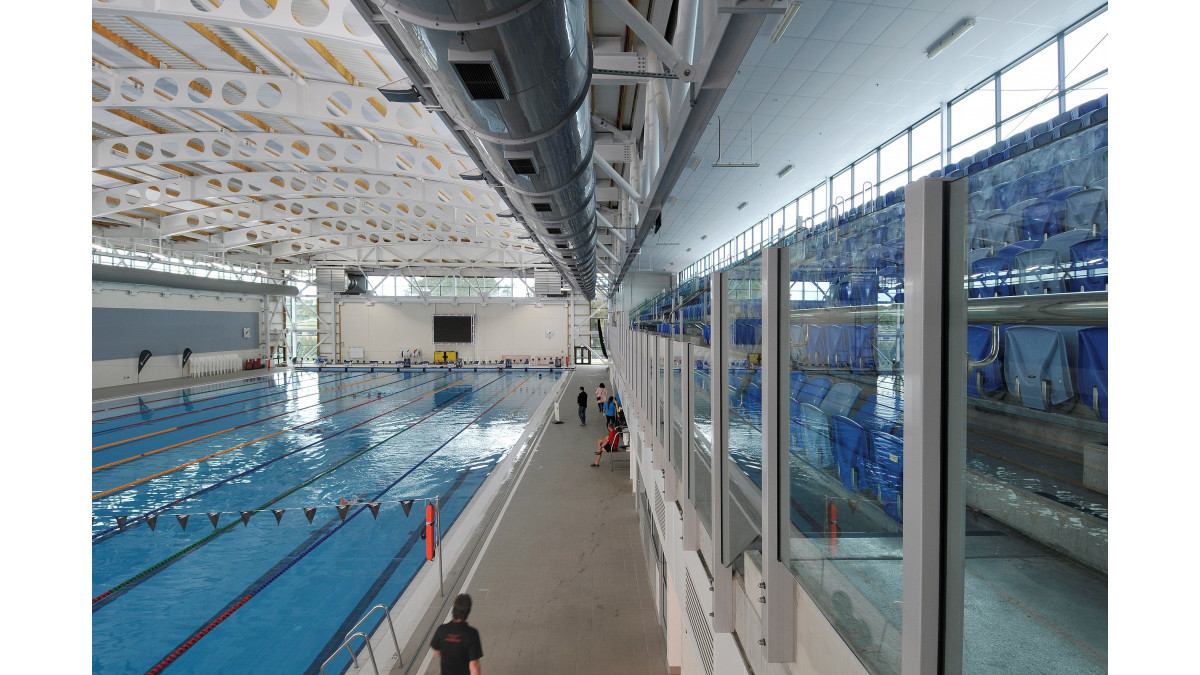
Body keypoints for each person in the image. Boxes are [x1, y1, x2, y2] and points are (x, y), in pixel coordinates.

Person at [431, 593, 483, 675]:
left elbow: (436, 652)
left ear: (454, 610)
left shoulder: (441, 630)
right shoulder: (471, 634)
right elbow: (474, 664)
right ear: (468, 612)